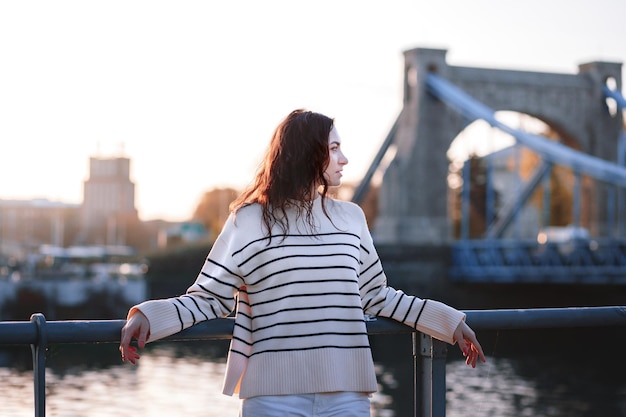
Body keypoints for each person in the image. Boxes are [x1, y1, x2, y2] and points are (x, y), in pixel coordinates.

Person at [120, 109, 486, 416]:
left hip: (348, 394)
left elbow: (377, 297)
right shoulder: (248, 220)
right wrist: (150, 315)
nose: (344, 159)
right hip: (271, 398)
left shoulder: (351, 218)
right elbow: (210, 298)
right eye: (335, 149)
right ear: (308, 155)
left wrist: (448, 321)